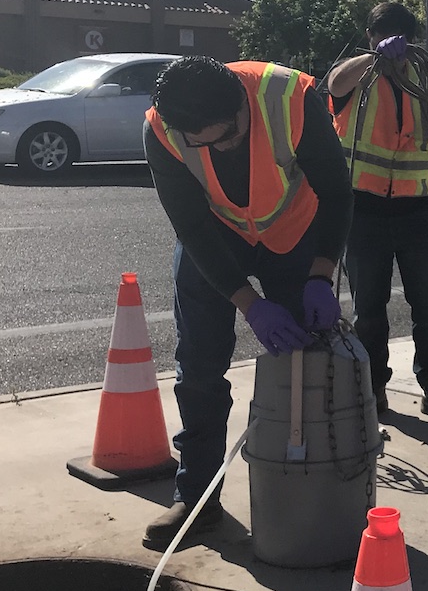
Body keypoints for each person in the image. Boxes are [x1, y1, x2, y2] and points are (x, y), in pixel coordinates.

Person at [142, 55, 353, 549]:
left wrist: (321, 274)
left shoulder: (290, 99)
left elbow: (338, 195)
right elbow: (190, 225)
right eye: (205, 142)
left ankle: (307, 490)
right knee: (197, 368)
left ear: (240, 104)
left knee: (304, 362)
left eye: (227, 135)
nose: (219, 147)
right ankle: (196, 500)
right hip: (214, 237)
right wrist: (248, 303)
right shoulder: (164, 129)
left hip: (293, 231)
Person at [326, 2, 428, 426]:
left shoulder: (424, 77)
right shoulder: (357, 77)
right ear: (370, 37)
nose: (394, 45)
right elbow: (333, 81)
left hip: (419, 209)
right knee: (368, 310)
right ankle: (372, 387)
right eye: (383, 36)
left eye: (400, 37)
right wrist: (373, 57)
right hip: (364, 209)